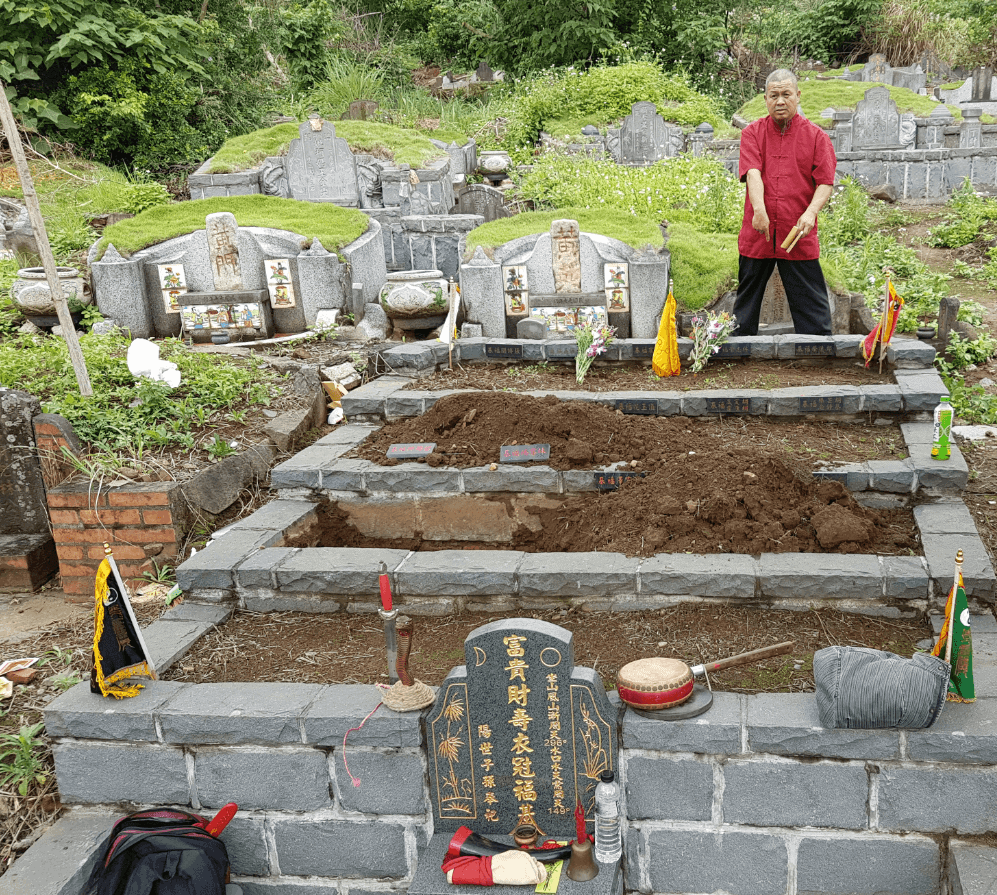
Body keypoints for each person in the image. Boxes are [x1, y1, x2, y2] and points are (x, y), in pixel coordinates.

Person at [732, 69, 836, 336]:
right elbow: (752, 171)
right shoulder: (752, 133)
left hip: (797, 230)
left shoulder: (816, 137)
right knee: (746, 301)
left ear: (797, 96)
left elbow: (825, 181)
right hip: (759, 228)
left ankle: (818, 352)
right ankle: (738, 352)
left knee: (810, 299)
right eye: (774, 95)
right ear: (765, 98)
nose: (780, 101)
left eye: (786, 95)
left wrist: (811, 213)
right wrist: (759, 211)